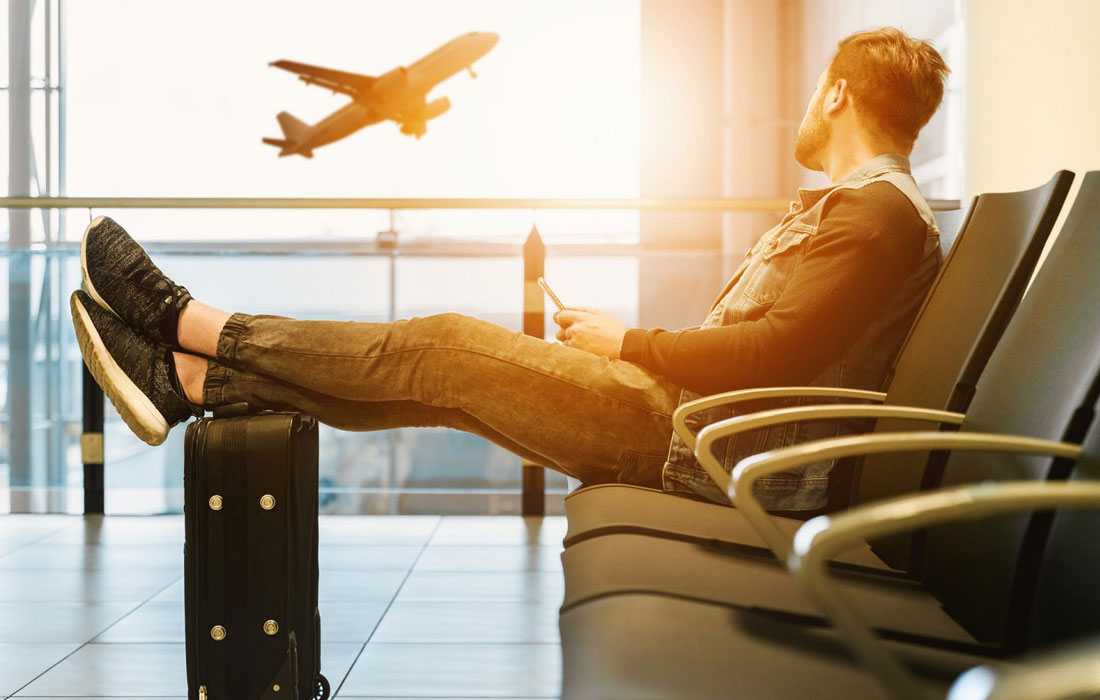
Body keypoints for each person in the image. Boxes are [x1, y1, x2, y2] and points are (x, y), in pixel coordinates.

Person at [71, 27, 949, 511]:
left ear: (836, 93)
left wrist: (631, 341)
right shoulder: (867, 213)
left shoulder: (874, 215)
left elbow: (776, 356)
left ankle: (186, 322)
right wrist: (631, 347)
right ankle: (189, 382)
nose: (804, 109)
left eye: (813, 93)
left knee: (441, 346)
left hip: (698, 447)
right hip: (696, 432)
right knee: (444, 387)